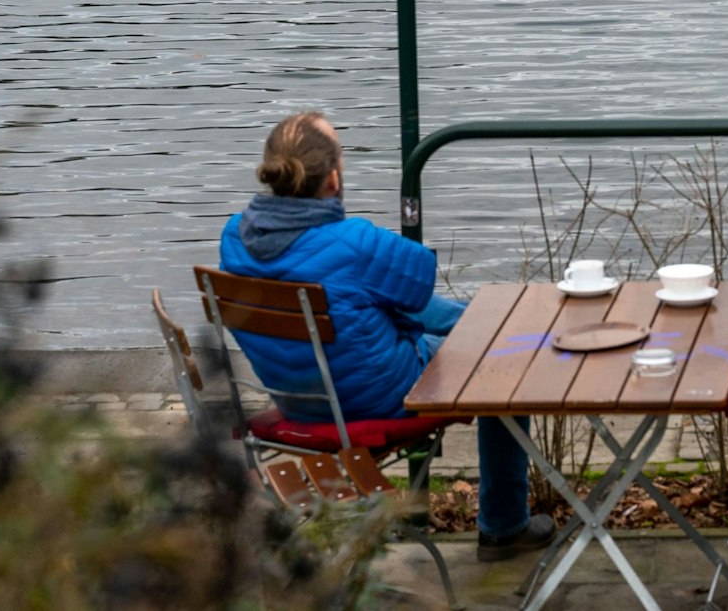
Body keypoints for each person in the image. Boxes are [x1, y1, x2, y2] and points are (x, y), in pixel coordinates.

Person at [221, 114, 554, 560]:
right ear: (334, 179)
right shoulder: (354, 242)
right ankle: (503, 526)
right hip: (373, 399)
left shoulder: (233, 238)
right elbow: (418, 282)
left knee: (369, 299)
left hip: (297, 400)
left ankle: (490, 323)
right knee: (494, 362)